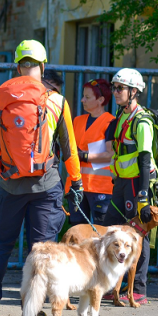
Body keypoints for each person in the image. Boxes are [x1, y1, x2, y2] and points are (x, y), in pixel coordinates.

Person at [0, 40, 83, 316]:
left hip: (11, 184)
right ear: (43, 65)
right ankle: (32, 311)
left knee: (0, 245)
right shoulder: (57, 100)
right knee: (42, 251)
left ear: (17, 65)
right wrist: (77, 182)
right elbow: (69, 147)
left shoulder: (2, 98)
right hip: (46, 185)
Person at [102, 68, 154, 306]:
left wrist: (143, 195)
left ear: (134, 91)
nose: (115, 92)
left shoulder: (142, 122)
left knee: (137, 236)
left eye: (120, 88)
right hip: (122, 182)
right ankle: (112, 285)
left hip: (136, 184)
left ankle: (139, 289)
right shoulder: (122, 114)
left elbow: (144, 160)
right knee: (112, 230)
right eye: (114, 87)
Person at [65, 78, 115, 225]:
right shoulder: (77, 121)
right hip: (76, 185)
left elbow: (110, 155)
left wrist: (84, 156)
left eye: (87, 97)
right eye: (83, 96)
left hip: (100, 188)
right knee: (77, 233)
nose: (82, 100)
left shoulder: (110, 122)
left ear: (100, 100)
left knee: (102, 233)